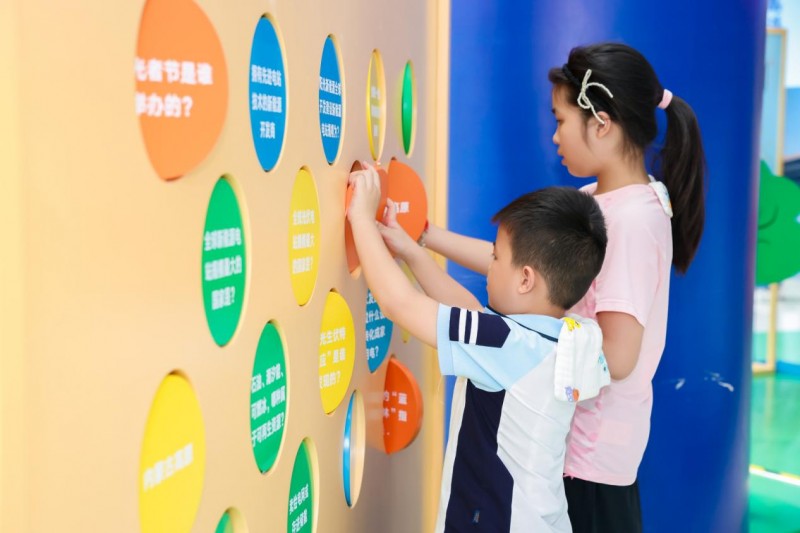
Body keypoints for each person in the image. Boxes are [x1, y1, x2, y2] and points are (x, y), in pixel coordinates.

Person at [421, 42, 706, 532]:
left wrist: (522, 344)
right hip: (572, 449)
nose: (554, 136)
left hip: (590, 463)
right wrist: (427, 237)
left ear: (601, 123)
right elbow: (518, 267)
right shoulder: (601, 199)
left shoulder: (632, 220)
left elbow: (619, 357)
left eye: (560, 120)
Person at [347, 167, 610, 532]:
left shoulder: (505, 344)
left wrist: (361, 217)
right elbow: (470, 314)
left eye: (496, 257)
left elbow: (400, 304)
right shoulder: (570, 336)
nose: (489, 266)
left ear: (526, 279)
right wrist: (411, 253)